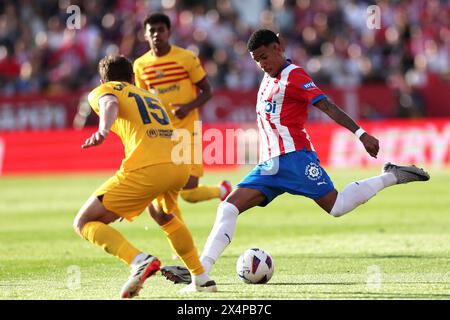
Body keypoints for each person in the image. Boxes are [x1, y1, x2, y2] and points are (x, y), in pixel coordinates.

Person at [160, 29, 430, 288]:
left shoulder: (295, 75)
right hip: (270, 165)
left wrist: (361, 134)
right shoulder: (268, 78)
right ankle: (202, 274)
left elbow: (327, 106)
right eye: (256, 60)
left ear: (278, 47)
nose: (262, 64)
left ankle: (392, 175)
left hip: (295, 160)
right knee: (228, 207)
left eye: (264, 57)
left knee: (337, 207)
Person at [72, 55, 217, 298]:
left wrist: (103, 130)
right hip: (179, 164)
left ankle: (139, 260)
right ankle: (201, 278)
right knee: (162, 214)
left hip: (149, 168)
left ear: (102, 80)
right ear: (133, 78)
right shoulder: (150, 96)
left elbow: (109, 103)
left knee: (83, 222)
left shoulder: (104, 89)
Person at [133, 12, 232, 217]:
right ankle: (181, 246)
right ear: (145, 35)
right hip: (161, 135)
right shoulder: (140, 65)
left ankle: (223, 190)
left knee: (189, 192)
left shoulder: (186, 58)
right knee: (165, 194)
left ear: (169, 32)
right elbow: (144, 100)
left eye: (161, 30)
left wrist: (188, 107)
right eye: (152, 30)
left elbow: (208, 91)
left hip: (187, 131)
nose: (157, 34)